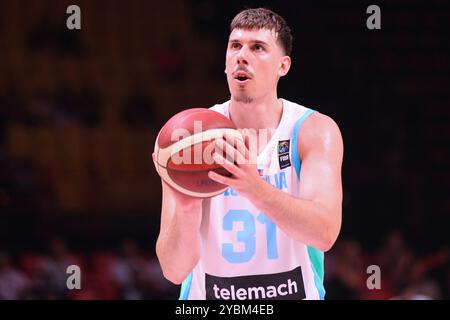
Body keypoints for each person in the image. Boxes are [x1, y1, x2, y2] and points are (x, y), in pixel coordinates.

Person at [154, 8, 343, 300]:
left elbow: (325, 233)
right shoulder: (189, 136)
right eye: (235, 46)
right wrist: (188, 207)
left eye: (258, 48)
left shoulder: (313, 131)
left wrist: (254, 187)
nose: (242, 55)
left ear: (283, 66)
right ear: (226, 63)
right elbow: (174, 270)